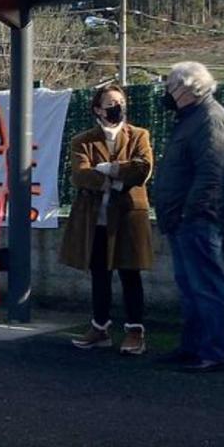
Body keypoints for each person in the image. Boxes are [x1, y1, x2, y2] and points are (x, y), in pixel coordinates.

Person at [151, 62, 224, 373]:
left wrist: (191, 212)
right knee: (190, 287)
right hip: (184, 220)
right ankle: (192, 347)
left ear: (188, 89)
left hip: (197, 220)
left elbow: (212, 173)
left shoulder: (210, 120)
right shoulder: (192, 119)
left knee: (205, 286)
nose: (168, 93)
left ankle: (214, 350)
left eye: (171, 87)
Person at [60, 84, 155, 355]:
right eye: (111, 103)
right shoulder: (83, 140)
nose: (118, 107)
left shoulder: (139, 135)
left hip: (128, 216)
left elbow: (142, 169)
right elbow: (80, 175)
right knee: (100, 274)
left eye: (121, 102)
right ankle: (99, 327)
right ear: (97, 109)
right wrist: (116, 178)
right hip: (96, 218)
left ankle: (135, 331)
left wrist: (108, 170)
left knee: (130, 273)